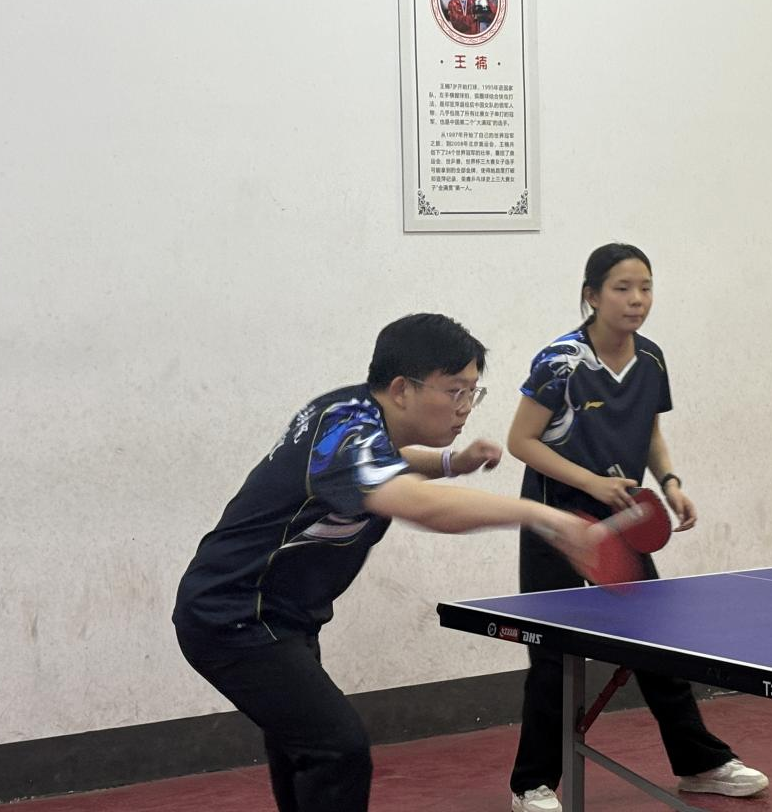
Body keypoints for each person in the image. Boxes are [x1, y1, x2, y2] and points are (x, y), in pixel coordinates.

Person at [172, 313, 605, 812]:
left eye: (473, 392)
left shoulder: (349, 410)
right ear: (402, 389)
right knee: (338, 749)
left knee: (305, 749)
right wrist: (545, 517)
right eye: (455, 391)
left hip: (279, 616)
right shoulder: (345, 435)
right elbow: (423, 506)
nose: (466, 407)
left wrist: (451, 462)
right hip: (233, 616)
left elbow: (387, 458)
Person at [506, 244, 769, 812]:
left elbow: (649, 432)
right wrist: (591, 483)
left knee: (654, 641)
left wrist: (669, 482)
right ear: (592, 295)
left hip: (621, 516)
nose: (637, 300)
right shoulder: (560, 362)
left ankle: (699, 763)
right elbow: (520, 442)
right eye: (622, 288)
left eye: (645, 287)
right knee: (552, 654)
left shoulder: (651, 359)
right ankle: (532, 783)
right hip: (556, 518)